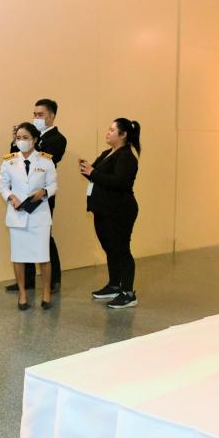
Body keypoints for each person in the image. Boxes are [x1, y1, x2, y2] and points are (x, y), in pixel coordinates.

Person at [5, 99, 67, 294]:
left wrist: (31, 142)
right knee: (23, 236)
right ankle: (27, 280)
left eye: (40, 115)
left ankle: (54, 280)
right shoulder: (29, 136)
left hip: (41, 197)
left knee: (44, 237)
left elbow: (45, 160)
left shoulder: (57, 139)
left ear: (52, 116)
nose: (36, 118)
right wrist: (18, 141)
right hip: (21, 195)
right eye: (35, 114)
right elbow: (15, 159)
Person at [80, 118, 141, 309]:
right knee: (110, 248)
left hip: (120, 210)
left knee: (121, 249)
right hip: (103, 208)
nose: (108, 132)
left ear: (123, 135)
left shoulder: (126, 157)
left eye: (112, 130)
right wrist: (87, 170)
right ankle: (114, 285)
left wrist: (93, 172)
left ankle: (128, 293)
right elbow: (97, 174)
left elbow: (119, 182)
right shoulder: (108, 153)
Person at [0, 123, 57, 310]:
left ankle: (46, 291)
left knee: (43, 256)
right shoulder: (8, 161)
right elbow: (3, 186)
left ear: (34, 139)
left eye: (25, 138)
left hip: (39, 215)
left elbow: (53, 184)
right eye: (18, 138)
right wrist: (11, 197)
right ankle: (22, 293)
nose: (21, 141)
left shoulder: (46, 161)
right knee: (18, 256)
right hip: (17, 214)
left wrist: (44, 192)